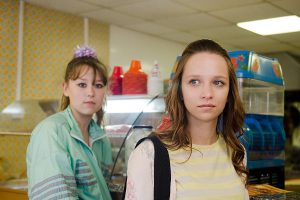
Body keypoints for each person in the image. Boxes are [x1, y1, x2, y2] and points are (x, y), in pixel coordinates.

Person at [124, 39, 249, 200]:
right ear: (180, 91)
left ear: (229, 93)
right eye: (194, 82)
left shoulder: (237, 152)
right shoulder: (149, 154)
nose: (207, 93)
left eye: (218, 82)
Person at [26, 46, 112, 200]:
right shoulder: (51, 132)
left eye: (98, 85)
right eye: (82, 85)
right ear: (65, 88)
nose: (91, 92)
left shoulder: (100, 138)